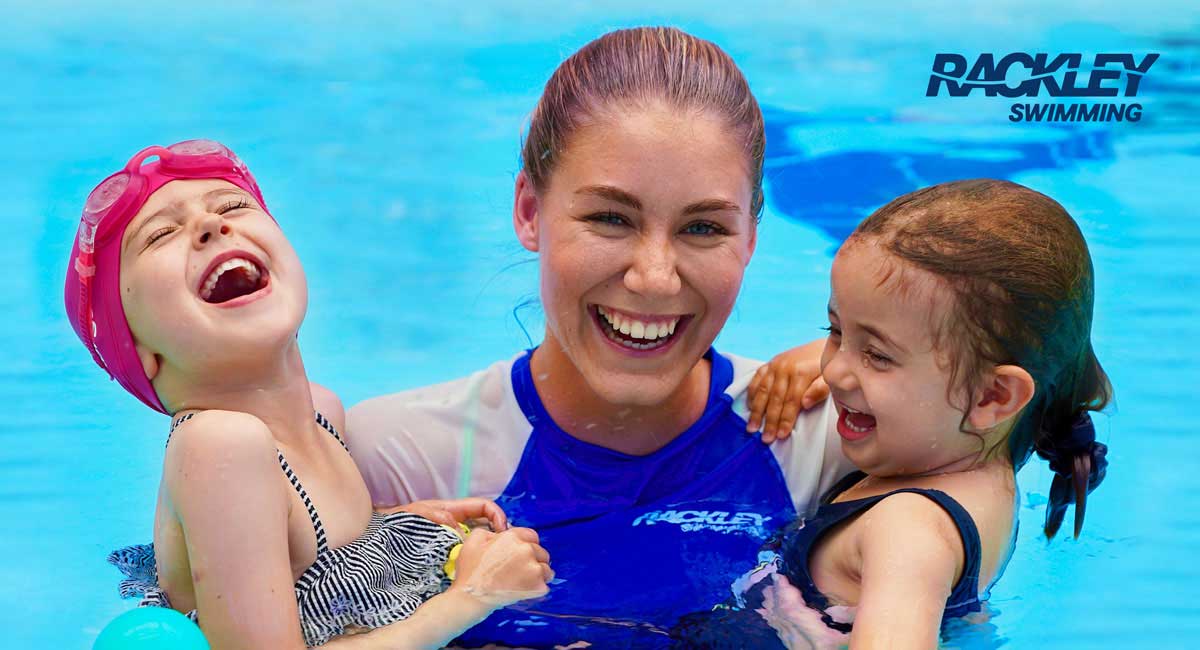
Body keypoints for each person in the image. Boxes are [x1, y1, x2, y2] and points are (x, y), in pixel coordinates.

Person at [345, 27, 855, 647]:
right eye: (610, 218)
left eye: (703, 228)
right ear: (530, 212)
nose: (654, 278)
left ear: (750, 237)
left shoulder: (820, 441)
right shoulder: (403, 459)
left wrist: (860, 363)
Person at [65, 140, 552, 649]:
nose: (212, 226)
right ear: (139, 350)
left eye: (232, 206)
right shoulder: (219, 445)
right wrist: (474, 594)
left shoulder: (322, 413)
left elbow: (304, 568)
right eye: (162, 235)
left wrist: (401, 530)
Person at [674, 179, 1112, 649]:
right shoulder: (977, 467)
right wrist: (862, 354)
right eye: (836, 331)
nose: (836, 371)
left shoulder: (909, 530)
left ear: (993, 397)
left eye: (878, 355)